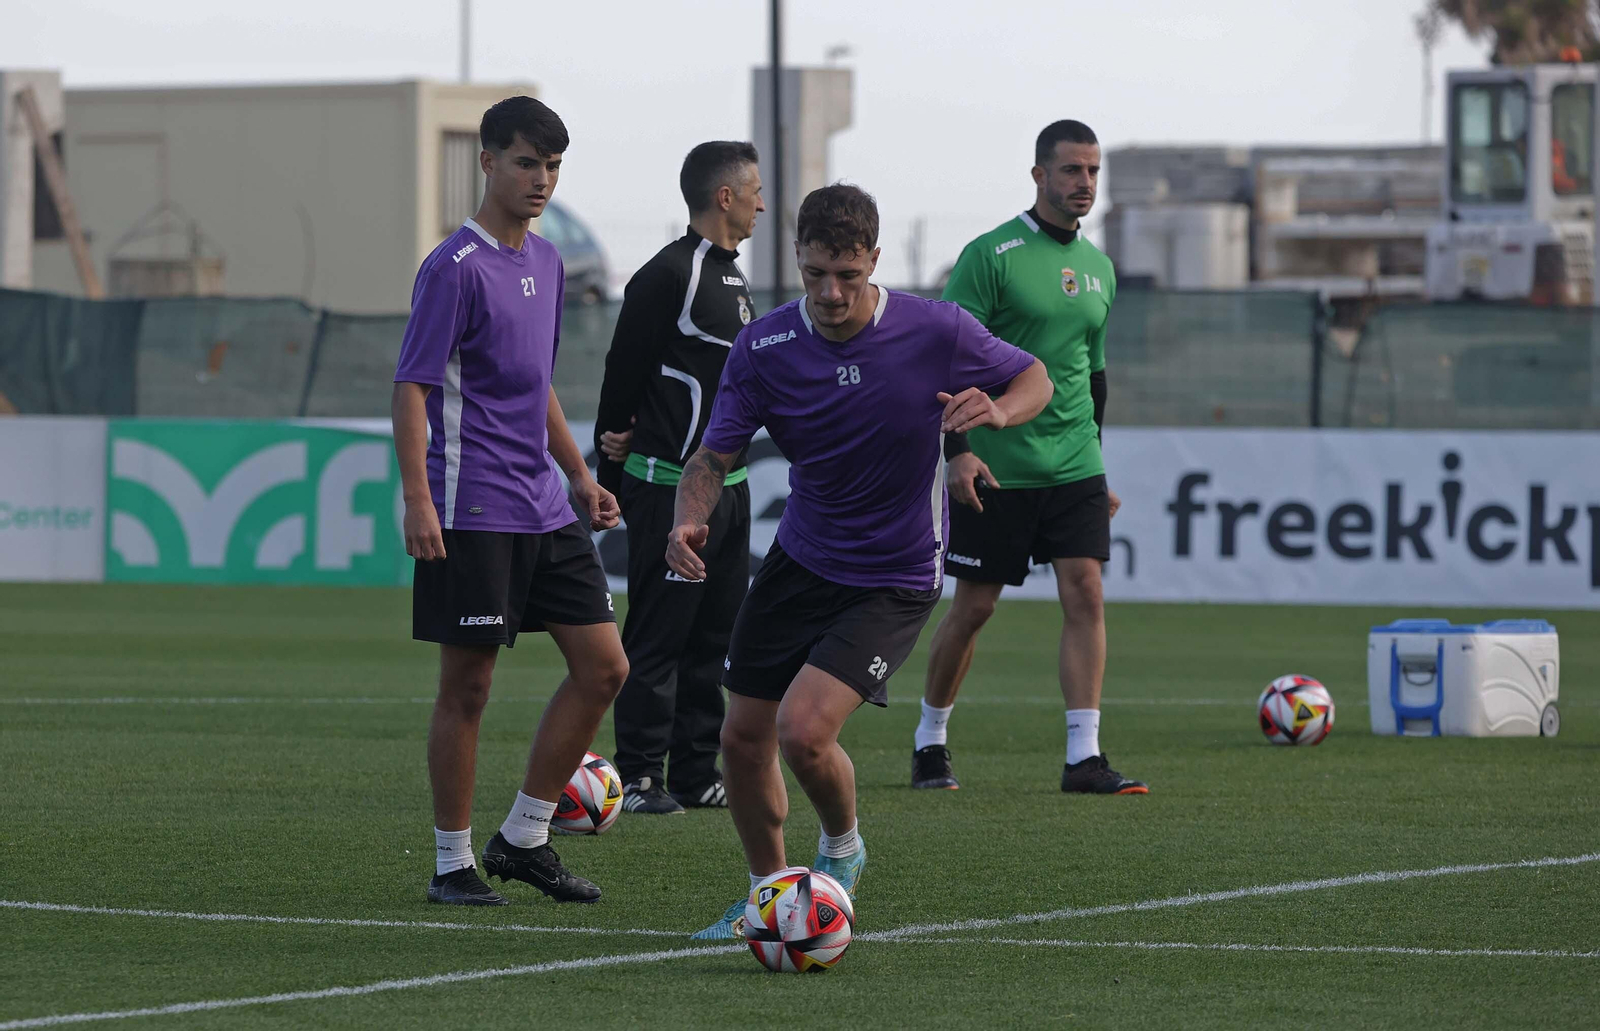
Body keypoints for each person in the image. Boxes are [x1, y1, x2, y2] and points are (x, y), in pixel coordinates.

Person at [670, 183, 1054, 939]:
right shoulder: (764, 346)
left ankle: (842, 849)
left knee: (803, 731)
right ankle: (769, 895)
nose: (831, 293)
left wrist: (998, 411)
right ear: (799, 262)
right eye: (815, 274)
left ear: (874, 261)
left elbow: (1033, 374)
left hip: (894, 571)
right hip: (802, 558)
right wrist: (688, 518)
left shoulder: (935, 327)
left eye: (847, 275)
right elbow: (713, 455)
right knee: (741, 738)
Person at [393, 96, 628, 906]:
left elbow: (539, 388)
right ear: (488, 162)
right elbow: (414, 387)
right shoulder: (453, 268)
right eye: (527, 162)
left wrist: (579, 473)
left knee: (605, 667)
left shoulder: (550, 263)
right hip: (471, 505)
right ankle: (452, 860)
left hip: (543, 503)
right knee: (469, 687)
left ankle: (524, 836)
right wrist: (418, 497)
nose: (541, 179)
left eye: (553, 166)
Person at [911, 119, 1147, 796]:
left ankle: (1084, 756)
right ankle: (931, 739)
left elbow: (1091, 376)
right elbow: (947, 359)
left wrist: (1097, 467)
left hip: (1074, 461)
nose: (1085, 184)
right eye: (1072, 170)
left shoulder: (1101, 269)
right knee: (975, 607)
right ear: (1040, 175)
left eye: (1094, 171)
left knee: (1087, 590)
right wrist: (957, 452)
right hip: (997, 463)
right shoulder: (992, 254)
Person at [592, 142, 764, 816]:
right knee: (658, 638)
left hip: (733, 490)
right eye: (753, 190)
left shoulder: (734, 277)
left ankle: (696, 772)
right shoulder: (670, 273)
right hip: (668, 487)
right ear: (724, 197)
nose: (760, 203)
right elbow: (622, 371)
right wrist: (608, 467)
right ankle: (637, 775)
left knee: (713, 640)